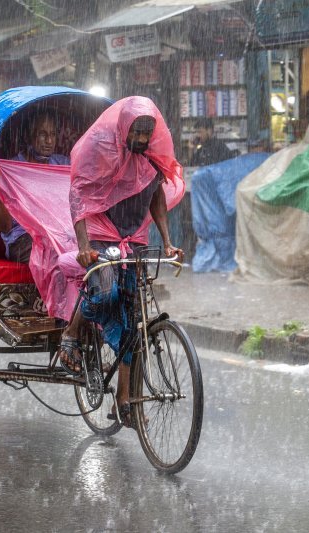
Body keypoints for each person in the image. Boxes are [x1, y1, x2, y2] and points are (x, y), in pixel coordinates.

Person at [58, 96, 184, 428]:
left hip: (134, 235)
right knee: (104, 294)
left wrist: (168, 242)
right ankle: (72, 332)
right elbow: (79, 194)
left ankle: (124, 399)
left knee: (133, 321)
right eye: (136, 133)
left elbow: (156, 193)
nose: (142, 141)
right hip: (99, 229)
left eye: (147, 134)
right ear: (125, 127)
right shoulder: (99, 147)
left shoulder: (152, 152)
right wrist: (84, 246)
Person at [0, 112, 69, 262]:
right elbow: (5, 226)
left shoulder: (63, 164)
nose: (49, 140)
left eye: (53, 134)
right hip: (23, 239)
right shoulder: (10, 171)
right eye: (42, 134)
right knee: (59, 260)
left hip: (61, 236)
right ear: (28, 137)